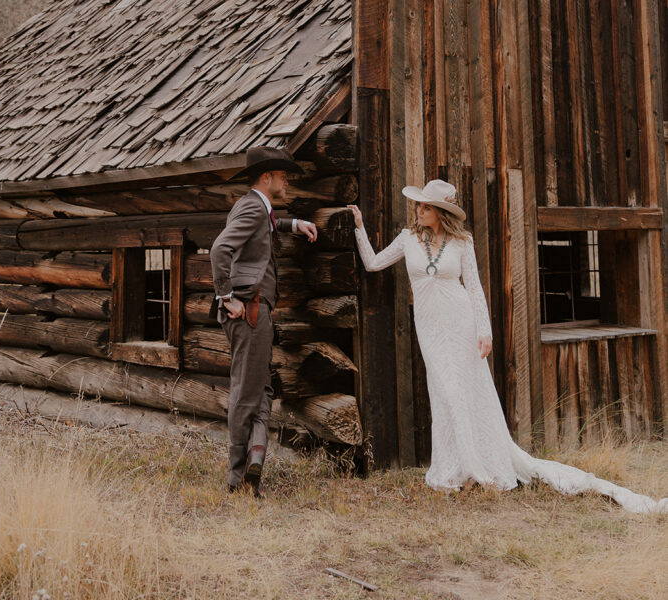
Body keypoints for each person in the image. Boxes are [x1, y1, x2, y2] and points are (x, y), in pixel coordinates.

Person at [348, 179, 667, 515]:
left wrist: (485, 332)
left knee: (467, 392)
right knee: (444, 392)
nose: (419, 210)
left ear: (441, 212)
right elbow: (373, 263)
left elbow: (473, 289)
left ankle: (475, 468)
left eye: (426, 206)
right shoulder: (408, 238)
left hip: (461, 325)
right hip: (429, 329)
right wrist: (359, 228)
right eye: (419, 205)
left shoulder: (462, 242)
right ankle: (455, 467)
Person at [210, 145, 317, 495]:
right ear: (266, 177)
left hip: (256, 308)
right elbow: (219, 250)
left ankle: (256, 456)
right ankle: (237, 478)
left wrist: (295, 224)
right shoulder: (255, 209)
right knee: (246, 391)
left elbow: (266, 226)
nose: (286, 180)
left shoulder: (257, 208)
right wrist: (227, 298)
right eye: (282, 175)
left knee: (263, 388)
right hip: (250, 308)